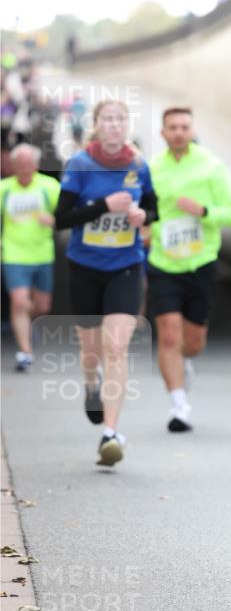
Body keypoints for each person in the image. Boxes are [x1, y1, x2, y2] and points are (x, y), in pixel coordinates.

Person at [54, 99, 157, 467]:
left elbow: (153, 207)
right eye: (108, 120)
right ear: (97, 126)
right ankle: (91, 385)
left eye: (120, 119)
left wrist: (142, 214)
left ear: (126, 125)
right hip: (84, 267)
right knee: (92, 350)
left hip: (125, 267)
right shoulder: (80, 164)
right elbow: (62, 218)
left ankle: (110, 434)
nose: (115, 125)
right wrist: (103, 206)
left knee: (116, 348)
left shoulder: (138, 164)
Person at [146, 107, 231, 432]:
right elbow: (144, 212)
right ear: (162, 133)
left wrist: (203, 210)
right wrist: (144, 228)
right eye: (172, 127)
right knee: (168, 334)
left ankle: (186, 361)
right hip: (162, 262)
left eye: (184, 126)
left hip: (200, 262)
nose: (178, 132)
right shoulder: (151, 169)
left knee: (193, 342)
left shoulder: (211, 166)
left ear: (191, 130)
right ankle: (179, 406)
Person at [0, 143, 60, 370]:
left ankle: (25, 324)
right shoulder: (4, 188)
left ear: (36, 165)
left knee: (42, 307)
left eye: (29, 164)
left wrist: (53, 220)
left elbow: (66, 214)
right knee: (19, 302)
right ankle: (25, 352)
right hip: (14, 254)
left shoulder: (49, 186)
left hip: (43, 253)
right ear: (13, 166)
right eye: (20, 164)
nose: (25, 169)